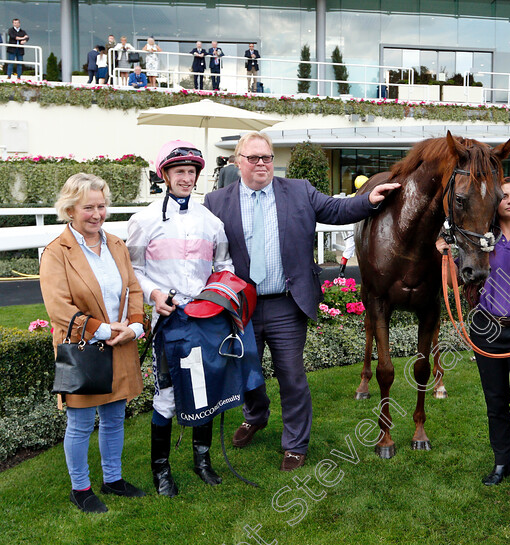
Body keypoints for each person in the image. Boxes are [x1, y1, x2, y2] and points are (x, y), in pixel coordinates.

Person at [203, 132, 399, 471]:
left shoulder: (298, 191)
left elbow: (337, 209)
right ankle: (256, 415)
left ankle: (295, 443)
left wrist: (369, 200)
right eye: (254, 158)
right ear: (239, 162)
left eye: (266, 157)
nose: (262, 163)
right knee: (247, 370)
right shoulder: (215, 202)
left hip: (286, 303)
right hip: (241, 306)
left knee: (291, 375)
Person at [435, 176, 510, 500]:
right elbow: (454, 284)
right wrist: (446, 254)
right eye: (504, 196)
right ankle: (502, 463)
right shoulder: (477, 242)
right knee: (495, 405)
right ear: (494, 202)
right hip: (487, 331)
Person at [127, 140, 234, 496]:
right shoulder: (143, 221)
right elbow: (133, 270)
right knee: (169, 396)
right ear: (165, 175)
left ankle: (202, 461)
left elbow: (223, 267)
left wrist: (218, 298)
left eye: (191, 172)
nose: (186, 179)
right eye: (179, 172)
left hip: (204, 320)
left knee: (206, 390)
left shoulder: (212, 222)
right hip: (168, 322)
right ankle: (161, 471)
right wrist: (154, 295)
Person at [41, 173, 147, 513]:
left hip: (121, 342)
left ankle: (113, 479)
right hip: (83, 348)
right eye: (89, 207)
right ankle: (80, 488)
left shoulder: (116, 244)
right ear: (70, 209)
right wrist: (103, 331)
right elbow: (59, 309)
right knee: (82, 423)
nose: (97, 214)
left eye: (102, 206)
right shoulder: (56, 252)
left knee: (115, 416)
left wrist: (134, 326)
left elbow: (133, 289)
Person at [337, 174, 368, 277]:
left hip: (355, 224)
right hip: (350, 225)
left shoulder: (353, 196)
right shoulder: (356, 198)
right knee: (350, 246)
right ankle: (341, 271)